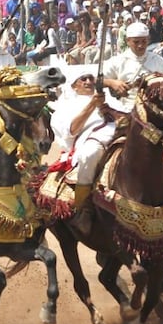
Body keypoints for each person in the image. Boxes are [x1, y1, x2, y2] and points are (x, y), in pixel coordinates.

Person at [50, 73, 116, 232]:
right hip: (89, 140)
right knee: (89, 155)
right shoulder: (65, 105)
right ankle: (83, 208)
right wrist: (92, 105)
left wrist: (111, 110)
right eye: (83, 79)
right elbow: (71, 130)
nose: (88, 82)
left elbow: (127, 115)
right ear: (74, 86)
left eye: (91, 79)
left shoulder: (109, 98)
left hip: (118, 133)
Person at [101, 22, 163, 107]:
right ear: (128, 41)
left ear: (148, 40)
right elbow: (97, 81)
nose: (140, 45)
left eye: (144, 41)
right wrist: (111, 83)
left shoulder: (158, 60)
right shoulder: (118, 61)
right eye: (136, 42)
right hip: (127, 108)